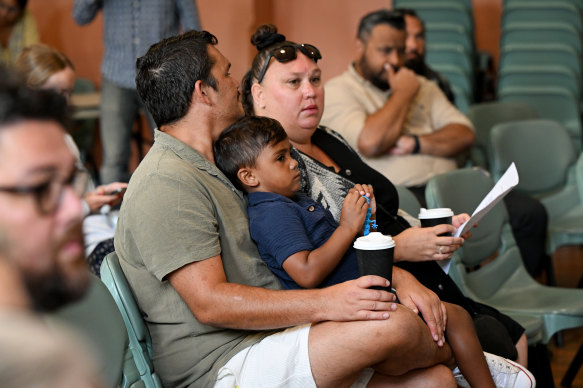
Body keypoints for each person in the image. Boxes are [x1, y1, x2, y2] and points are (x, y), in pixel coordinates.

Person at [116, 29, 461, 388]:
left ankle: (460, 364)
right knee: (395, 323)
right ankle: (468, 359)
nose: (238, 84)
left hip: (275, 333)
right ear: (203, 91)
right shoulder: (166, 181)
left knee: (435, 382)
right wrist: (328, 303)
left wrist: (394, 277)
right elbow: (211, 303)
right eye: (228, 73)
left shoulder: (223, 161)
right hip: (224, 362)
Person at [240, 23, 530, 366]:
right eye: (294, 82)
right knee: (495, 341)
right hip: (379, 290)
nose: (311, 92)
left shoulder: (328, 136)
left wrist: (434, 227)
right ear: (259, 94)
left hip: (416, 272)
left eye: (315, 79)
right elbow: (324, 254)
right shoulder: (277, 170)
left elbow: (385, 211)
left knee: (515, 335)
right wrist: (403, 250)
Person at [215, 115, 535, 387]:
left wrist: (365, 222)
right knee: (451, 330)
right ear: (249, 176)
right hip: (350, 313)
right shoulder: (271, 213)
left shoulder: (293, 201)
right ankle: (468, 364)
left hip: (372, 292)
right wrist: (347, 227)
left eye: (291, 154)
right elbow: (307, 272)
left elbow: (345, 252)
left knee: (458, 316)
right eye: (281, 158)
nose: (294, 163)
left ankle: (476, 371)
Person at [321, 8, 549, 279]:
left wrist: (415, 143)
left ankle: (515, 289)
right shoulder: (340, 91)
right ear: (360, 46)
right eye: (384, 50)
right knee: (440, 237)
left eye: (399, 50)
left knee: (530, 213)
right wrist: (403, 94)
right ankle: (468, 295)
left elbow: (464, 133)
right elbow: (370, 142)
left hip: (451, 183)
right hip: (408, 195)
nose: (394, 60)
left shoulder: (423, 85)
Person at [14, 43, 128, 275]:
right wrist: (88, 203)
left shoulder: (62, 137)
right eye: (57, 93)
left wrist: (100, 197)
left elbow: (80, 193)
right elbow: (41, 218)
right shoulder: (19, 148)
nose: (66, 102)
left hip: (100, 228)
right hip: (84, 243)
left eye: (69, 92)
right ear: (28, 91)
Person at [72, 0, 201, 184]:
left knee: (173, 150)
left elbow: (193, 29)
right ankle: (115, 210)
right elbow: (80, 16)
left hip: (161, 76)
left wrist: (183, 73)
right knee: (114, 159)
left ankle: (170, 204)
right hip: (115, 74)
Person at [396, 8, 455, 103]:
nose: (414, 45)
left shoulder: (437, 82)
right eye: (406, 36)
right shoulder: (379, 82)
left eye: (419, 37)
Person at [0, 0, 38, 65]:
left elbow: (32, 53)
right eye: (2, 5)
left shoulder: (26, 19)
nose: (4, 13)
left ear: (21, 11)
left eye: (12, 9)